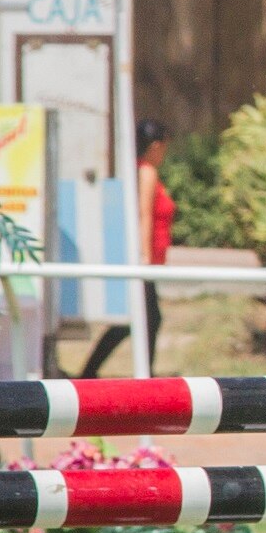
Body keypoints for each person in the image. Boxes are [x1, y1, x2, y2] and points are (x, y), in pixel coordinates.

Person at [76, 119, 174, 379]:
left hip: (149, 259)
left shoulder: (140, 170)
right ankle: (142, 374)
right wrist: (143, 258)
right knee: (147, 318)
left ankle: (92, 371)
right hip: (145, 260)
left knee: (143, 318)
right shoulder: (147, 172)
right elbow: (144, 215)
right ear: (155, 146)